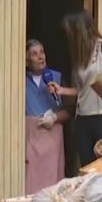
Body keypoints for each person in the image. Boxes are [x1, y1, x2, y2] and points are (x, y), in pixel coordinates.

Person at [47, 11, 102, 168]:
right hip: (83, 119)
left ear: (79, 31)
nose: (68, 37)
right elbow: (83, 90)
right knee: (88, 167)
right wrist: (62, 90)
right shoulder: (80, 55)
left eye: (69, 32)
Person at [24, 39, 68, 194]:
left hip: (52, 140)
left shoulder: (56, 77)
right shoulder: (18, 80)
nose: (41, 57)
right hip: (31, 140)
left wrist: (55, 117)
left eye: (42, 52)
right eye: (35, 54)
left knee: (52, 190)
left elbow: (71, 109)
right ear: (27, 60)